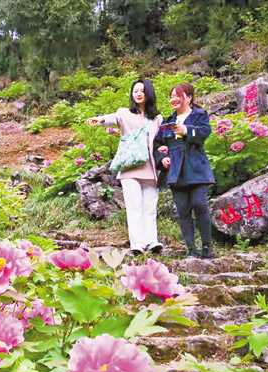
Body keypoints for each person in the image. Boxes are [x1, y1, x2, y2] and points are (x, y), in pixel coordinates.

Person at [87, 79, 163, 255]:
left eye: (142, 90)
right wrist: (100, 120)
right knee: (134, 206)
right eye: (135, 90)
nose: (138, 93)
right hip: (129, 169)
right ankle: (137, 244)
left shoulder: (157, 119)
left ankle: (152, 241)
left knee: (150, 208)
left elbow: (161, 141)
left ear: (149, 93)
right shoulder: (125, 114)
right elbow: (113, 118)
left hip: (150, 169)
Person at [155, 82, 215, 259]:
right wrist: (161, 159)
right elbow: (158, 144)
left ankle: (207, 248)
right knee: (182, 210)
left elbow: (205, 132)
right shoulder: (167, 122)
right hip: (175, 171)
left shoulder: (199, 115)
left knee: (200, 204)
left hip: (196, 168)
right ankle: (191, 250)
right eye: (171, 96)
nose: (174, 99)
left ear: (188, 97)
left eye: (178, 95)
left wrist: (186, 130)